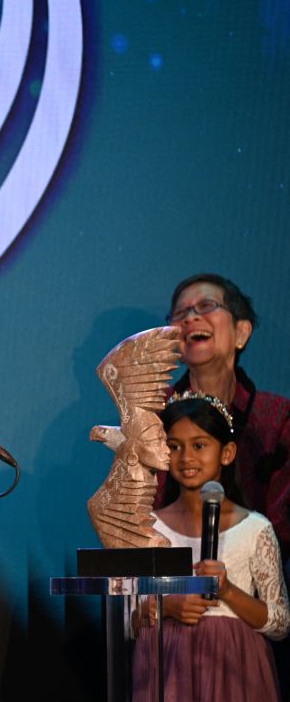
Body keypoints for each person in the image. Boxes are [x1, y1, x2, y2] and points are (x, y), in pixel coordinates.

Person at [159, 274, 290, 689]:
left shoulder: (276, 417)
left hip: (249, 627)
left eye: (205, 307)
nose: (191, 317)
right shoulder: (149, 419)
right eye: (180, 312)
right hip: (169, 631)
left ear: (241, 331)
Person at [133, 392, 289, 701]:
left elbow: (280, 622)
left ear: (227, 453)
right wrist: (166, 606)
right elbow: (129, 616)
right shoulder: (148, 528)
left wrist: (228, 590)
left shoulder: (255, 529)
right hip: (168, 664)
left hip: (234, 666)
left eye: (199, 445)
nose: (186, 457)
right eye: (174, 447)